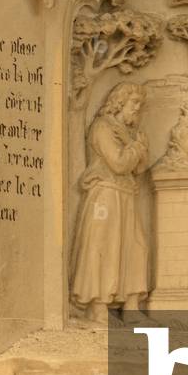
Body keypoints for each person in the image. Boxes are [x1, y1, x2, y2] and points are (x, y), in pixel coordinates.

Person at [70, 82, 151, 323]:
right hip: (105, 194)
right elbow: (118, 163)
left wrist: (136, 148)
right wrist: (137, 147)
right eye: (133, 103)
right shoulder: (102, 127)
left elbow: (140, 168)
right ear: (119, 102)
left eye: (140, 105)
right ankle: (98, 306)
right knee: (104, 247)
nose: (137, 109)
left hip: (125, 193)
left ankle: (132, 305)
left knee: (135, 246)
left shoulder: (128, 133)